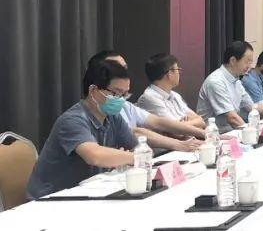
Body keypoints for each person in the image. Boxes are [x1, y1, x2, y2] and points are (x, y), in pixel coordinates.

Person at [25, 60, 137, 199]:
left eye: (124, 95)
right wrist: (134, 158)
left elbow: (135, 146)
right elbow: (94, 155)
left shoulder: (113, 117)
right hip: (50, 199)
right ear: (93, 91)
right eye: (115, 94)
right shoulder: (72, 119)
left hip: (87, 192)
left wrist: (129, 156)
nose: (121, 100)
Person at [87, 51, 202, 152]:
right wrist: (180, 144)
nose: (122, 73)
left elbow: (158, 122)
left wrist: (202, 133)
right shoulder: (82, 115)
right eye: (116, 69)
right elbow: (135, 133)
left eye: (123, 94)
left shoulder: (124, 105)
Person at [197, 41, 263, 131]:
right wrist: (251, 132)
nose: (249, 66)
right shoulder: (216, 81)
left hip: (230, 132)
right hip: (212, 135)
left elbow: (253, 108)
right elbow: (232, 118)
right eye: (247, 62)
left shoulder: (237, 81)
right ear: (233, 60)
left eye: (250, 62)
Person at [136, 53, 205, 128]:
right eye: (177, 69)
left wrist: (187, 123)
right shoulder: (149, 98)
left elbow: (201, 121)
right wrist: (194, 122)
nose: (179, 73)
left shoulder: (175, 95)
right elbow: (174, 129)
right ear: (169, 73)